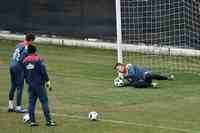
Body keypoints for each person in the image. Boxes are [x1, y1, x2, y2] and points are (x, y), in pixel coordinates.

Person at [23, 45, 55, 126]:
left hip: (30, 85)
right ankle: (49, 121)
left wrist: (28, 82)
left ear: (28, 51)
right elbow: (43, 72)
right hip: (39, 85)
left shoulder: (25, 61)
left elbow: (25, 74)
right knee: (44, 102)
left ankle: (32, 121)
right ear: (35, 51)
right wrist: (48, 81)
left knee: (31, 103)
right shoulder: (38, 59)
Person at [8, 33, 35, 113]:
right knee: (20, 87)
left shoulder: (19, 44)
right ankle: (18, 107)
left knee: (13, 85)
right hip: (18, 67)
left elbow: (14, 56)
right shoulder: (26, 47)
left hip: (12, 66)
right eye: (32, 41)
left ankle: (10, 106)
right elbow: (22, 60)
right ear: (30, 40)